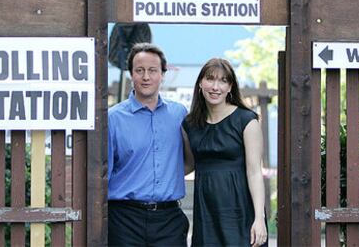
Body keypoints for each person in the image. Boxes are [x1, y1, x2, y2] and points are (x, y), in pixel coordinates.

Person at [108, 42, 189, 246]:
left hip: (169, 220)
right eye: (139, 70)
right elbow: (104, 172)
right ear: (130, 74)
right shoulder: (113, 118)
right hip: (124, 219)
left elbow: (190, 161)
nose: (146, 77)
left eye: (152, 70)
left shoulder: (179, 115)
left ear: (163, 74)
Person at [182, 58, 268, 247]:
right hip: (206, 213)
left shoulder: (246, 120)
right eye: (210, 79)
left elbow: (254, 172)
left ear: (230, 87)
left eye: (223, 81)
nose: (215, 87)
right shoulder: (189, 125)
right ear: (200, 83)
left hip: (240, 210)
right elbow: (189, 164)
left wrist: (259, 218)